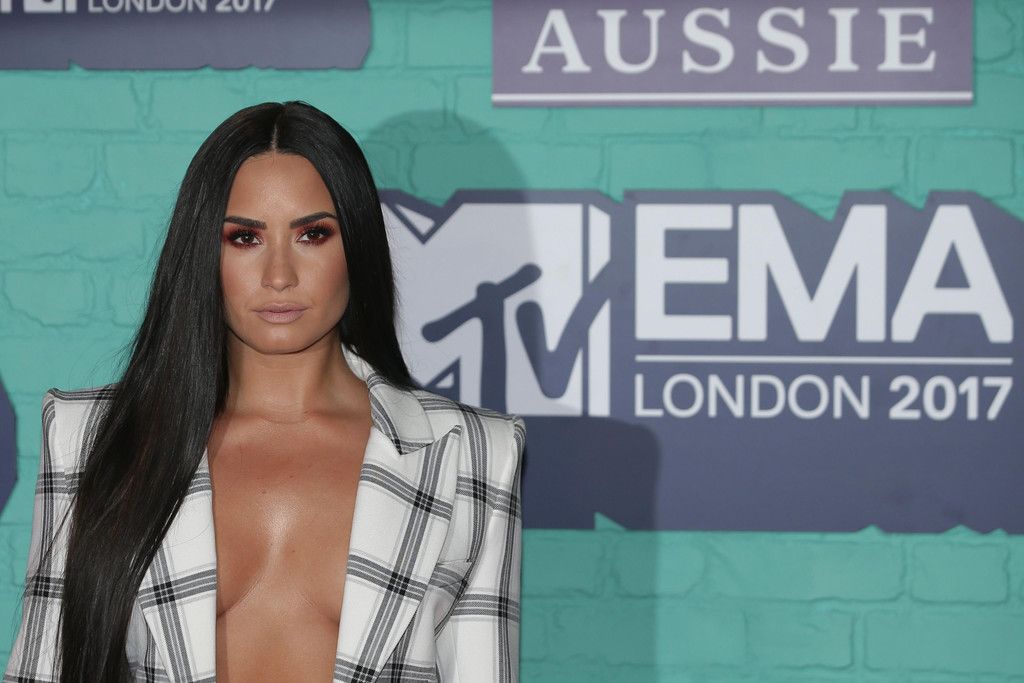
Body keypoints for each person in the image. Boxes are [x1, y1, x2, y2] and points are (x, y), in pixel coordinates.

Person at [3, 101, 525, 682]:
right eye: (245, 237)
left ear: (357, 244)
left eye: (313, 234)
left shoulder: (473, 453)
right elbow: (44, 669)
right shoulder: (91, 438)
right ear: (203, 250)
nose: (279, 276)